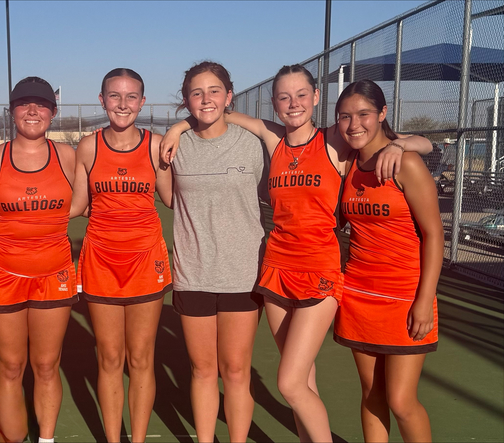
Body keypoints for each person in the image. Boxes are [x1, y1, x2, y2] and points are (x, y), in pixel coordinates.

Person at [162, 64, 433, 441]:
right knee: (303, 382)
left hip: (320, 270)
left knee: (289, 383)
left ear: (317, 97)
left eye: (302, 95)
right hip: (276, 270)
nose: (293, 104)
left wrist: (401, 144)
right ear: (273, 104)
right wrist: (177, 127)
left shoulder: (335, 139)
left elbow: (421, 141)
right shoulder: (273, 139)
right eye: (284, 97)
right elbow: (221, 112)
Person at [0, 77, 77, 443]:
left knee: (46, 365)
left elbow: (83, 204)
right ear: (11, 112)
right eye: (24, 103)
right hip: (2, 274)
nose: (32, 111)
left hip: (54, 273)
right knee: (11, 366)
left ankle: (46, 439)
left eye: (41, 104)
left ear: (53, 113)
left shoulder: (70, 157)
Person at [163, 61, 268, 443]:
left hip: (243, 273)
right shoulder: (175, 146)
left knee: (237, 371)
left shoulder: (253, 142)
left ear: (228, 96)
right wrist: (176, 128)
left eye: (214, 91)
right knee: (202, 370)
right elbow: (166, 197)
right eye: (196, 92)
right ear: (186, 99)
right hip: (194, 275)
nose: (205, 99)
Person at [68, 68, 171, 443]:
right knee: (109, 359)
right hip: (101, 263)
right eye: (114, 96)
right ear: (102, 99)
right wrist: (21, 208)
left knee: (141, 358)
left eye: (131, 97)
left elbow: (175, 198)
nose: (123, 104)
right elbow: (79, 204)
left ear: (142, 102)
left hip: (146, 261)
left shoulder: (157, 145)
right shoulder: (89, 146)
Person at [334, 80, 440, 442]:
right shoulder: (347, 164)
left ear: (382, 114)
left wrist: (424, 301)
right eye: (345, 117)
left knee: (400, 400)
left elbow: (434, 235)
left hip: (405, 296)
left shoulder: (405, 163)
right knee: (371, 394)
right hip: (359, 295)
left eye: (364, 114)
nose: (354, 125)